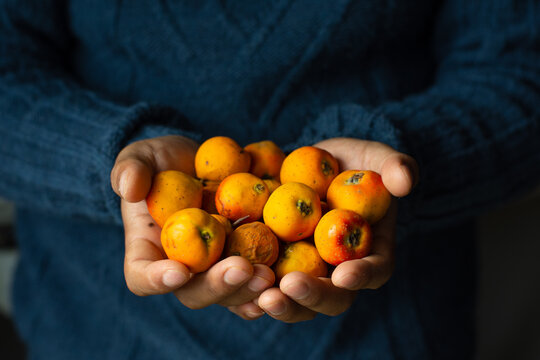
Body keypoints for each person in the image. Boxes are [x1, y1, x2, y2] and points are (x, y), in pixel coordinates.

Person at [1, 0, 539, 359]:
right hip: (93, 333)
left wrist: (401, 153)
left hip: (392, 335)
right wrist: (117, 163)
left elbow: (521, 70)